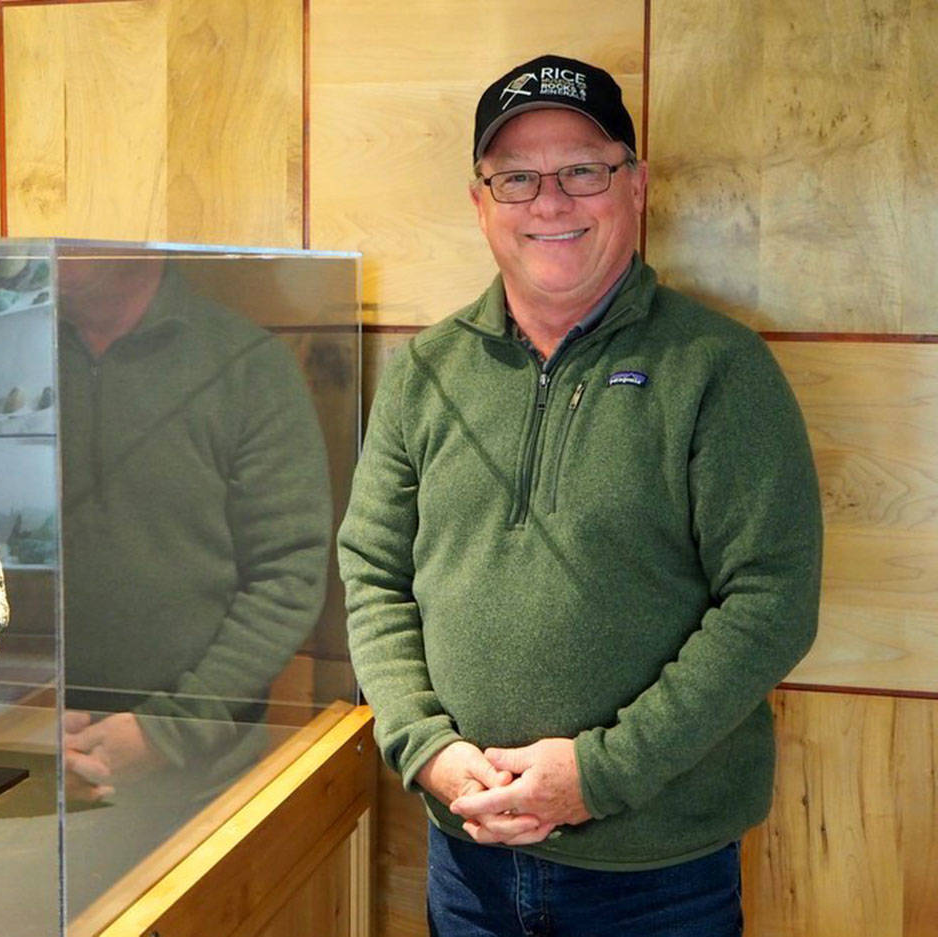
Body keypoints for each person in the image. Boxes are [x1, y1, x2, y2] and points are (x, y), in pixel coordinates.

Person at [337, 54, 822, 936]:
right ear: (480, 202)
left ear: (636, 186)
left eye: (582, 171)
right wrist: (427, 747)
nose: (550, 203)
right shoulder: (424, 372)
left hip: (657, 879)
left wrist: (599, 774)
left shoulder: (720, 369)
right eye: (517, 178)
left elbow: (771, 602)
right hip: (466, 862)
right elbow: (372, 574)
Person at [55, 253, 333, 908]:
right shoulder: (10, 347)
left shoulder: (245, 364)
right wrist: (15, 722)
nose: (64, 247)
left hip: (198, 789)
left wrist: (168, 730)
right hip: (23, 772)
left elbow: (288, 575)